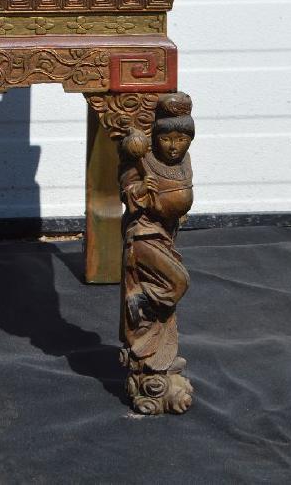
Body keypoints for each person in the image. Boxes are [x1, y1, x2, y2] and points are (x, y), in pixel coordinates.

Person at [120, 93, 194, 373]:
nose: (174, 146)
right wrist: (141, 188)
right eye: (166, 139)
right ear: (155, 138)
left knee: (175, 281)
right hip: (144, 234)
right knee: (179, 282)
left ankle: (152, 331)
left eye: (182, 139)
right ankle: (141, 306)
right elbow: (126, 193)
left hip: (167, 232)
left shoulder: (184, 162)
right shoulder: (143, 161)